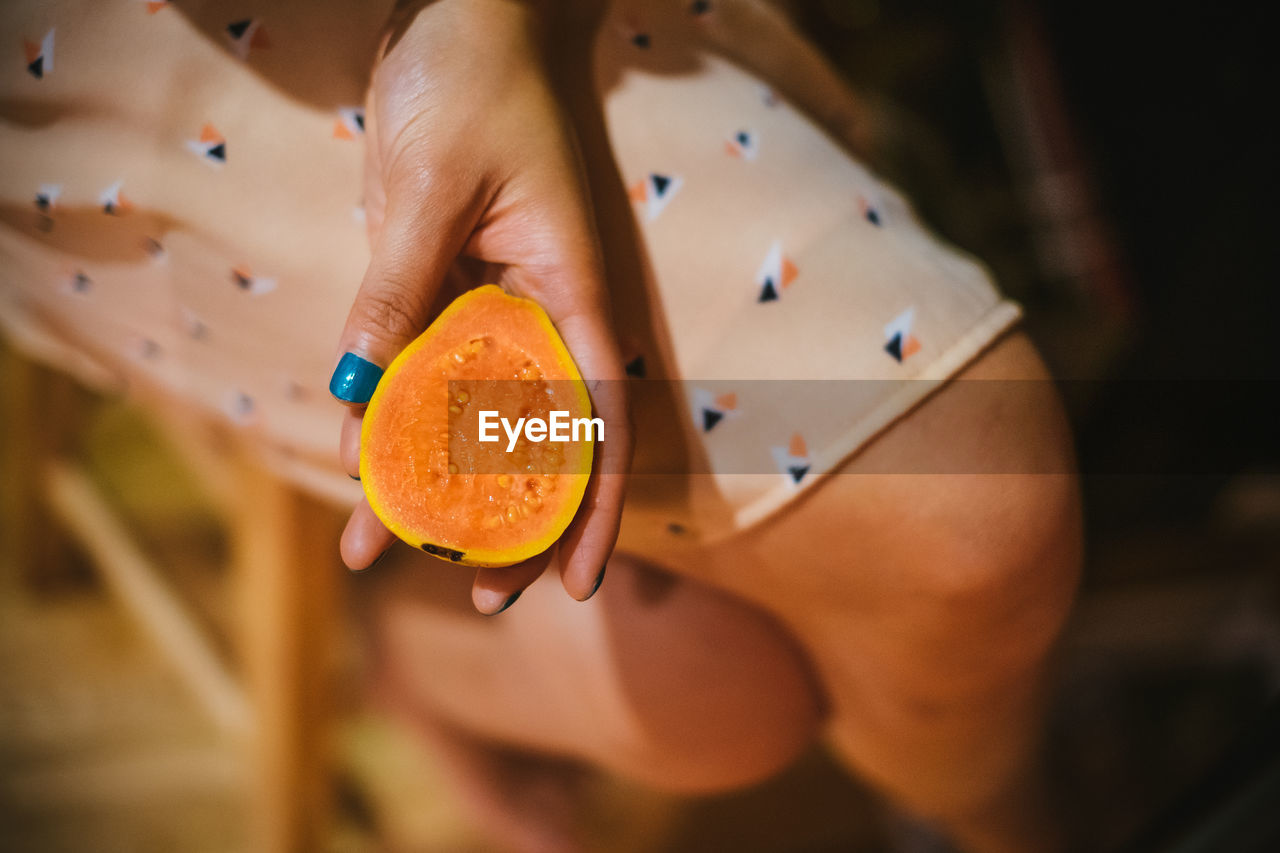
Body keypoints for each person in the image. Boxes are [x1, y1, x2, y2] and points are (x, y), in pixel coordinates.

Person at [0, 1, 1081, 850]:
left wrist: (484, 18)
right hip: (98, 132)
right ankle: (398, 654)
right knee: (714, 698)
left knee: (969, 513)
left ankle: (1007, 825)